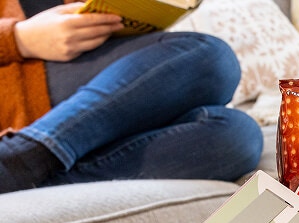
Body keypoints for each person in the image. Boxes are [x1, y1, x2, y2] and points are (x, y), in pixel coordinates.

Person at [0, 0, 263, 194]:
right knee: (211, 58)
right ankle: (21, 156)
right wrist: (19, 38)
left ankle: (30, 177)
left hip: (95, 91)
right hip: (20, 81)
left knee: (237, 137)